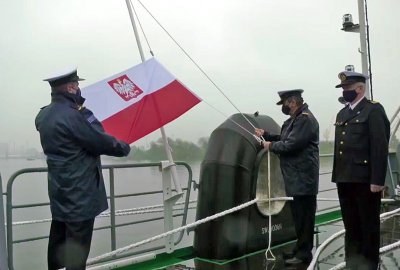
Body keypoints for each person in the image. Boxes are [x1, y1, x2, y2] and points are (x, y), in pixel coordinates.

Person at [35, 67, 131, 270]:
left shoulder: (43, 115)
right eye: (77, 85)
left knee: (58, 241)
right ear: (71, 88)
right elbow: (98, 140)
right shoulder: (75, 116)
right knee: (77, 248)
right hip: (80, 194)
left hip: (60, 191)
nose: (79, 88)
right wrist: (124, 147)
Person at [332, 71, 390, 270]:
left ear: (360, 88)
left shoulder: (373, 110)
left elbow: (379, 146)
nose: (345, 91)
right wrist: (337, 176)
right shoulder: (342, 113)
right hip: (345, 179)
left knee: (368, 227)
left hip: (365, 181)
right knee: (351, 227)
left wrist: (378, 180)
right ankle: (353, 265)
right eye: (343, 88)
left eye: (348, 88)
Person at [254, 89, 319, 266]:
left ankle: (304, 254)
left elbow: (291, 144)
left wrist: (270, 145)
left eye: (284, 104)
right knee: (298, 217)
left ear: (292, 102)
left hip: (304, 178)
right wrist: (266, 135)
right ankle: (299, 249)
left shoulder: (305, 119)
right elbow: (285, 137)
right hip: (295, 178)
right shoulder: (295, 120)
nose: (283, 107)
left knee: (305, 218)